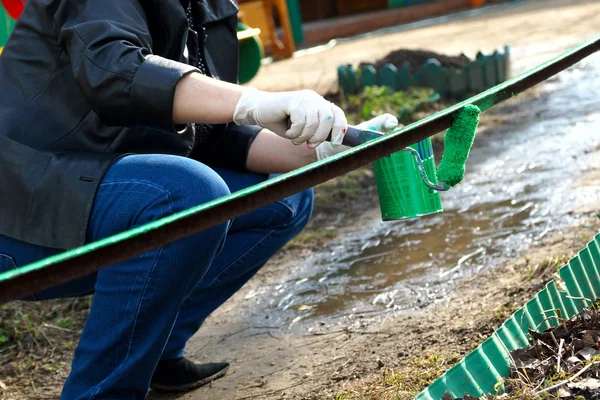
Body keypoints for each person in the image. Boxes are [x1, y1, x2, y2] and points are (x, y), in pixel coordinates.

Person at [0, 0, 398, 398]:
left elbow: (212, 133)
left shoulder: (205, 7)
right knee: (185, 197)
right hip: (22, 206)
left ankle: (156, 351)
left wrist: (325, 149)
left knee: (281, 197)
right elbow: (116, 71)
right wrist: (253, 101)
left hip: (94, 192)